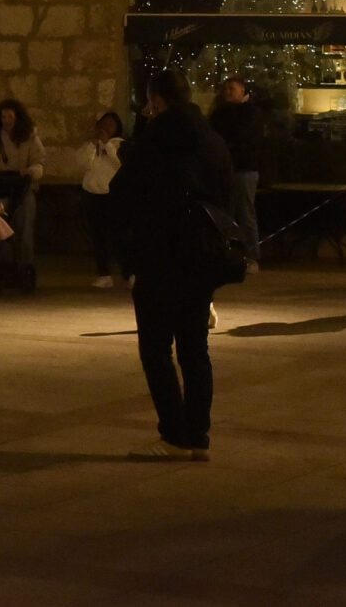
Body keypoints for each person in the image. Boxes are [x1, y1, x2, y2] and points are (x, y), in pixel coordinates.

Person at [110, 69, 236, 460]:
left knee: (156, 349)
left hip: (161, 254)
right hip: (201, 255)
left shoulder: (156, 139)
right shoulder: (212, 139)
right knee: (195, 348)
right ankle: (198, 436)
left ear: (158, 101)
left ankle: (174, 435)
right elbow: (227, 194)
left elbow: (122, 190)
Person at [0, 99, 47, 266]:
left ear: (17, 118)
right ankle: (1, 265)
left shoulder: (30, 138)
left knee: (24, 227)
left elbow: (39, 162)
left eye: (10, 117)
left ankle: (24, 266)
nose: (6, 121)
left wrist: (30, 171)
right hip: (0, 188)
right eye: (3, 117)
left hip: (23, 188)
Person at [210, 78, 267, 275]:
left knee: (244, 212)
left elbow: (244, 138)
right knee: (226, 213)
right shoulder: (221, 113)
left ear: (243, 90)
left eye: (231, 88)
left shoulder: (251, 113)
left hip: (244, 168)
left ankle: (251, 256)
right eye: (225, 88)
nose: (227, 92)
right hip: (227, 168)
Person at [80, 112, 127, 288]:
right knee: (97, 236)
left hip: (113, 196)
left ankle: (128, 272)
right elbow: (83, 163)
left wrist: (107, 144)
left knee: (119, 236)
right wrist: (93, 146)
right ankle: (104, 274)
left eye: (110, 125)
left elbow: (120, 163)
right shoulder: (92, 145)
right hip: (92, 194)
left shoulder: (120, 145)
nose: (106, 128)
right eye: (103, 124)